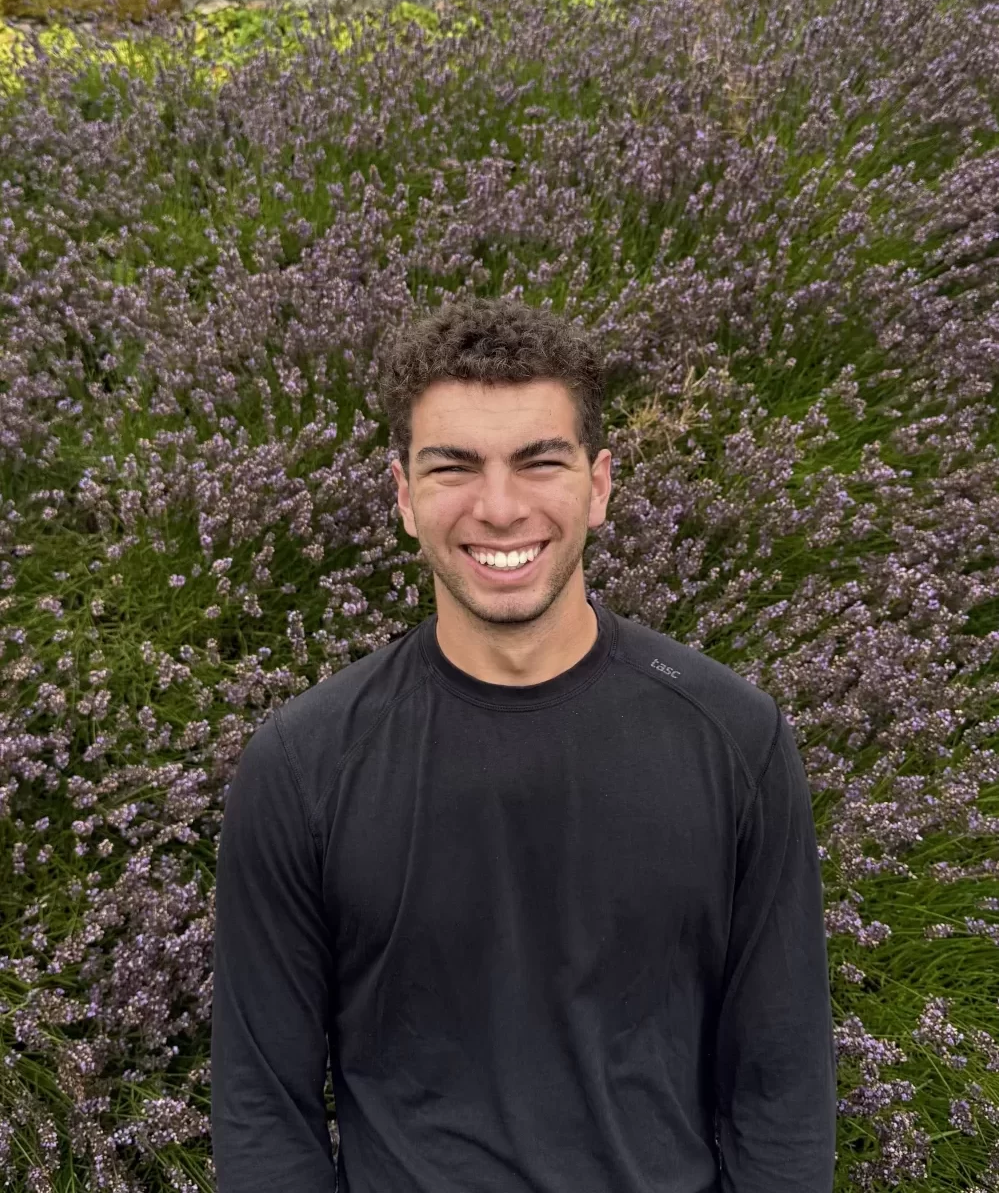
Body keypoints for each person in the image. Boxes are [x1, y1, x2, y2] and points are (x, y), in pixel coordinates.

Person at [210, 298, 837, 1192]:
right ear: (402, 497)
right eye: (453, 467)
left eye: (539, 462)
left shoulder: (735, 739)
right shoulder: (301, 767)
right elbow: (261, 1111)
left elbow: (782, 1094)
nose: (498, 508)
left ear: (599, 484)